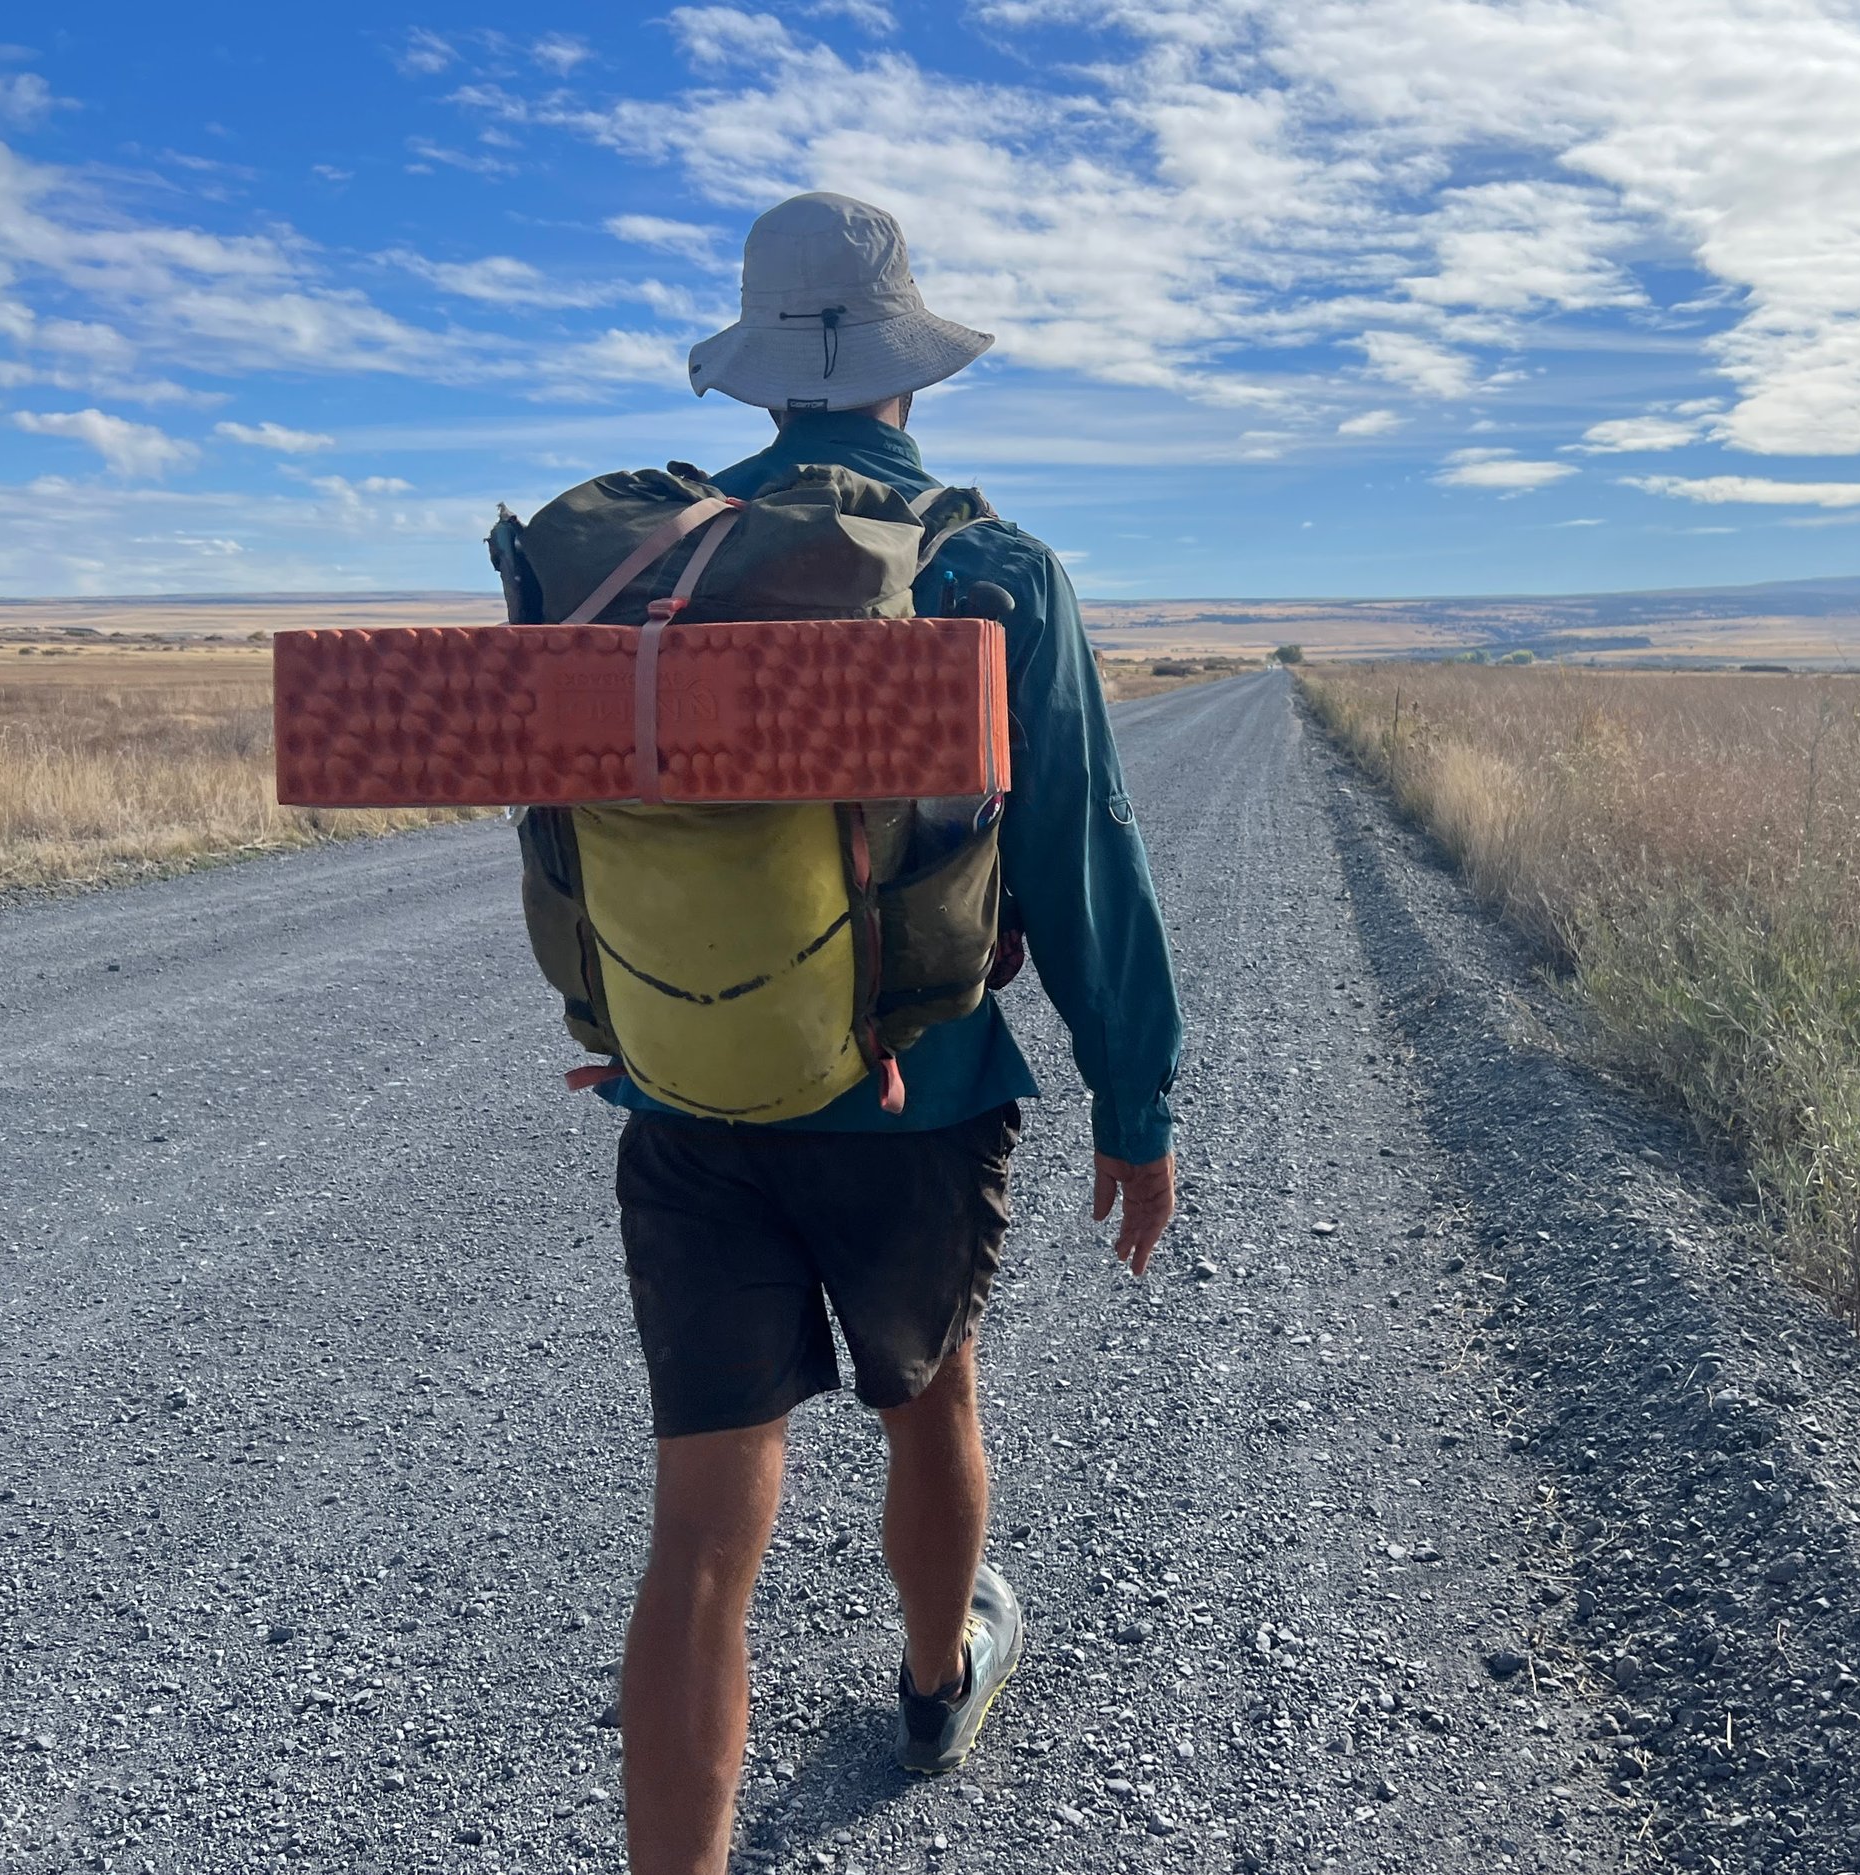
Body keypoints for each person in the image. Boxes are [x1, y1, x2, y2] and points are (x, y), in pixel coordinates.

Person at [603, 192, 1184, 1875]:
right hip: (919, 1096)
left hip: (686, 1089)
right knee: (930, 1404)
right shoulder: (992, 567)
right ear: (904, 379)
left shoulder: (650, 570)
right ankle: (938, 1684)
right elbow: (1083, 859)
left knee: (703, 1531)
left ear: (762, 378)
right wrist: (1132, 1103)